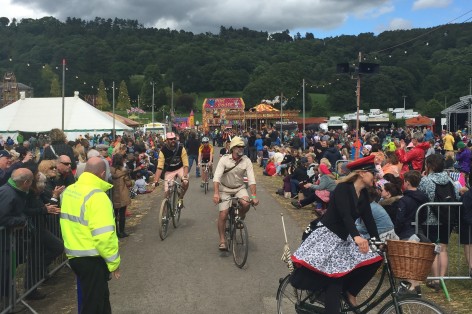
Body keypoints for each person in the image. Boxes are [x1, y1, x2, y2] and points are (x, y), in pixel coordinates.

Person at [290, 155, 382, 313]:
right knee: (335, 279)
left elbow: (369, 220)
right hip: (328, 236)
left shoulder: (364, 194)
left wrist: (378, 242)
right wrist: (357, 237)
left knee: (375, 259)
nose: (376, 176)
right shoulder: (343, 189)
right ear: (361, 173)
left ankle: (350, 292)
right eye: (373, 173)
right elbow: (345, 215)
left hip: (344, 237)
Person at [60, 157, 121, 314]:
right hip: (92, 257)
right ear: (102, 173)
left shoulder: (69, 191)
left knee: (99, 299)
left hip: (75, 254)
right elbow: (104, 236)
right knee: (93, 304)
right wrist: (113, 262)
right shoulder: (98, 197)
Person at [418, 153, 460, 292]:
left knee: (432, 249)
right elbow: (457, 195)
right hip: (447, 218)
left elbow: (421, 195)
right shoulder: (450, 181)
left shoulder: (426, 181)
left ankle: (435, 279)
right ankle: (442, 279)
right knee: (443, 248)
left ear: (429, 166)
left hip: (430, 218)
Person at [212, 136, 259, 251]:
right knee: (223, 214)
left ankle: (240, 217)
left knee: (246, 204)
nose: (240, 149)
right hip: (225, 188)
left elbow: (251, 179)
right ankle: (222, 240)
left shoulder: (246, 160)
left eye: (242, 147)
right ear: (232, 148)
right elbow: (216, 177)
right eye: (238, 147)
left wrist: (253, 196)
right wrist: (216, 193)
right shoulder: (224, 159)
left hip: (239, 188)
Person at [0, 168, 33, 311]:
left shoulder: (14, 192)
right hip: (4, 242)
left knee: (8, 272)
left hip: (9, 242)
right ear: (25, 182)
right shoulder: (8, 193)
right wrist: (22, 220)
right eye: (31, 182)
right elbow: (3, 217)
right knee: (4, 272)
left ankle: (10, 302)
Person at [153, 132, 189, 209]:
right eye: (170, 139)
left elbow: (186, 164)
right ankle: (165, 211)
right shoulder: (163, 151)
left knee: (186, 182)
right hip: (169, 171)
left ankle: (180, 198)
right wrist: (156, 181)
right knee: (167, 192)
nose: (173, 140)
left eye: (174, 139)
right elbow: (159, 167)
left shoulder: (181, 148)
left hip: (180, 168)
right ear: (166, 140)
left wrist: (185, 176)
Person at [110, 153, 132, 238]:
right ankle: (122, 231)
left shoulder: (110, 171)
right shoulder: (124, 172)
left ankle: (115, 232)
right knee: (122, 214)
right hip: (123, 195)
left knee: (114, 214)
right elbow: (129, 183)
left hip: (113, 195)